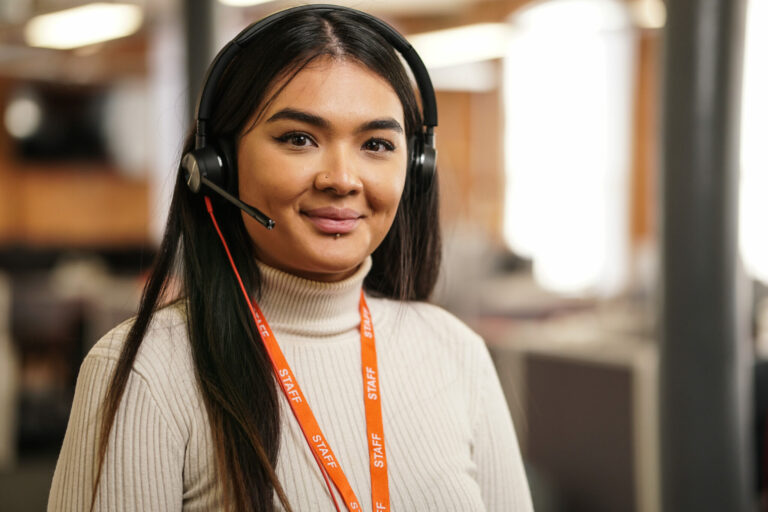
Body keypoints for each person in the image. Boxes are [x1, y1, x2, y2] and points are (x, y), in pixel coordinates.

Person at [48, 5, 533, 512]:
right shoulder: (148, 371)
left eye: (376, 143)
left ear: (415, 165)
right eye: (298, 139)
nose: (342, 178)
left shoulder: (455, 351)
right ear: (220, 165)